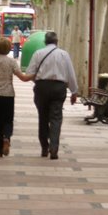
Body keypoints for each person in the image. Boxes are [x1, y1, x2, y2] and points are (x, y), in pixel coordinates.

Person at [27, 30, 79, 160]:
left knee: (43, 118)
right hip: (58, 88)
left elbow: (30, 72)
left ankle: (44, 147)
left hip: (42, 87)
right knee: (56, 118)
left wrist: (38, 81)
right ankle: (54, 147)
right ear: (57, 42)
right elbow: (70, 74)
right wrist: (74, 91)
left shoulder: (38, 53)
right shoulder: (64, 54)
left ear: (45, 42)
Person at [0, 36, 32, 157]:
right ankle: (7, 137)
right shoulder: (12, 62)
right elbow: (23, 78)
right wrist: (34, 75)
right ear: (8, 49)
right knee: (8, 120)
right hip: (8, 94)